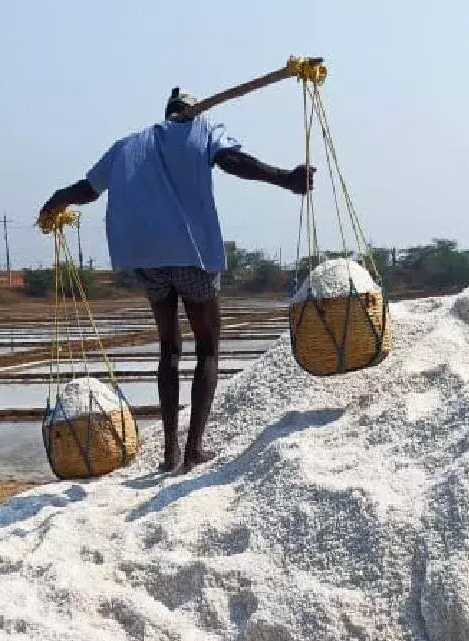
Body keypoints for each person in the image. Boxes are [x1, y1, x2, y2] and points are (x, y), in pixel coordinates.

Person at [38, 88, 313, 473]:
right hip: (190, 254)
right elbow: (234, 161)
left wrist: (57, 198)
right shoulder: (202, 130)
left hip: (146, 258)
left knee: (168, 348)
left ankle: (169, 453)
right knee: (208, 348)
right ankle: (192, 451)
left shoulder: (128, 145)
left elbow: (88, 188)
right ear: (193, 111)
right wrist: (287, 178)